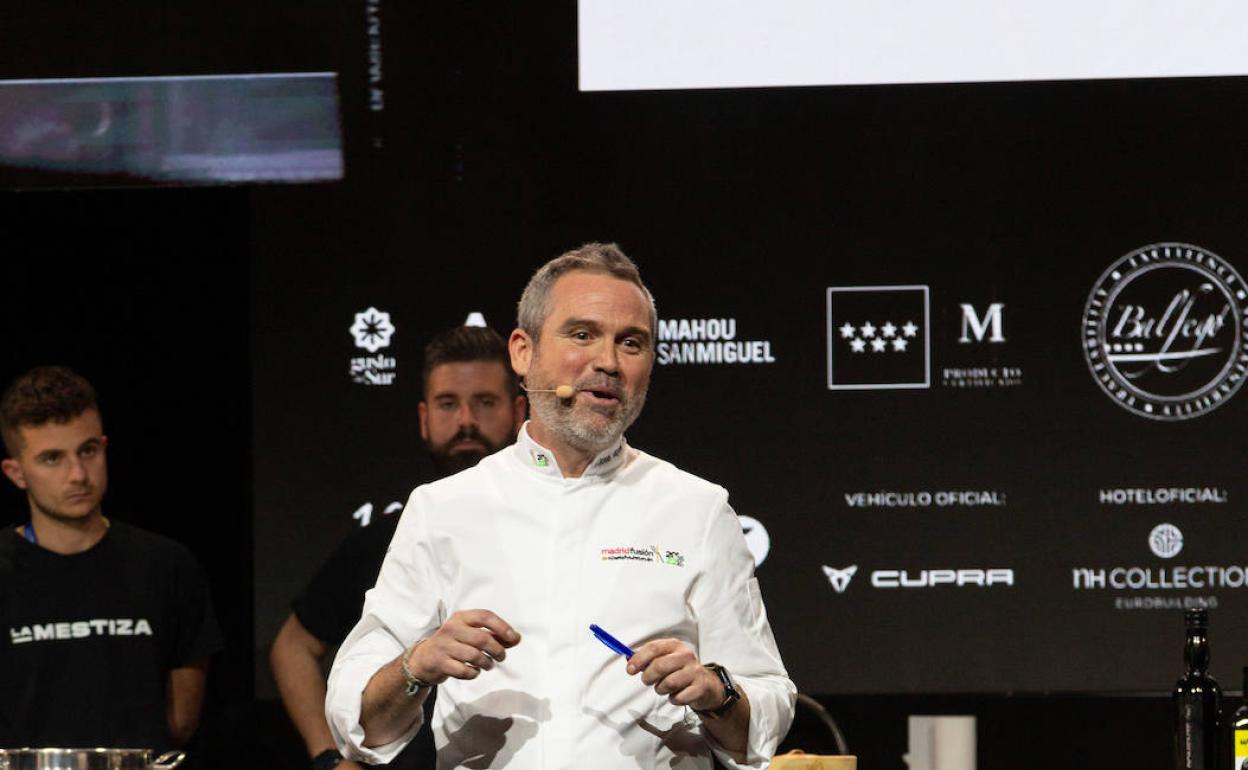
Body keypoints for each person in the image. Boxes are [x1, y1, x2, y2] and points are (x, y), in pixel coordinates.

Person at [326, 244, 795, 770]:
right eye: (582, 335)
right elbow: (358, 724)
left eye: (631, 343)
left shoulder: (698, 509)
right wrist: (416, 666)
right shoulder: (442, 509)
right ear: (522, 352)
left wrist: (717, 693)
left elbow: (768, 710)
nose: (608, 362)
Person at [271, 325, 527, 770]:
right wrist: (329, 756)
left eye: (485, 402)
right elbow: (293, 647)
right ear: (424, 418)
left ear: (519, 411)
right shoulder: (384, 537)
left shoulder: (543, 531)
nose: (466, 420)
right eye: (448, 404)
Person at [0, 366, 221, 748]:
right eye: (52, 458)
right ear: (16, 473)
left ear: (104, 446)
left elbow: (181, 721)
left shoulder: (165, 565)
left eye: (88, 451)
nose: (78, 474)